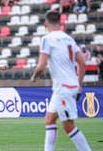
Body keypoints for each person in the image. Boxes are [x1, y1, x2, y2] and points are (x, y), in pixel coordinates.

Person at [31, 11, 92, 151]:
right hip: (66, 87)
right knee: (49, 119)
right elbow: (82, 62)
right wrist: (79, 86)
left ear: (46, 23)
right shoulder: (68, 39)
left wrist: (34, 77)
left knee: (68, 126)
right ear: (60, 22)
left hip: (63, 88)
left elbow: (41, 65)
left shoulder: (47, 39)